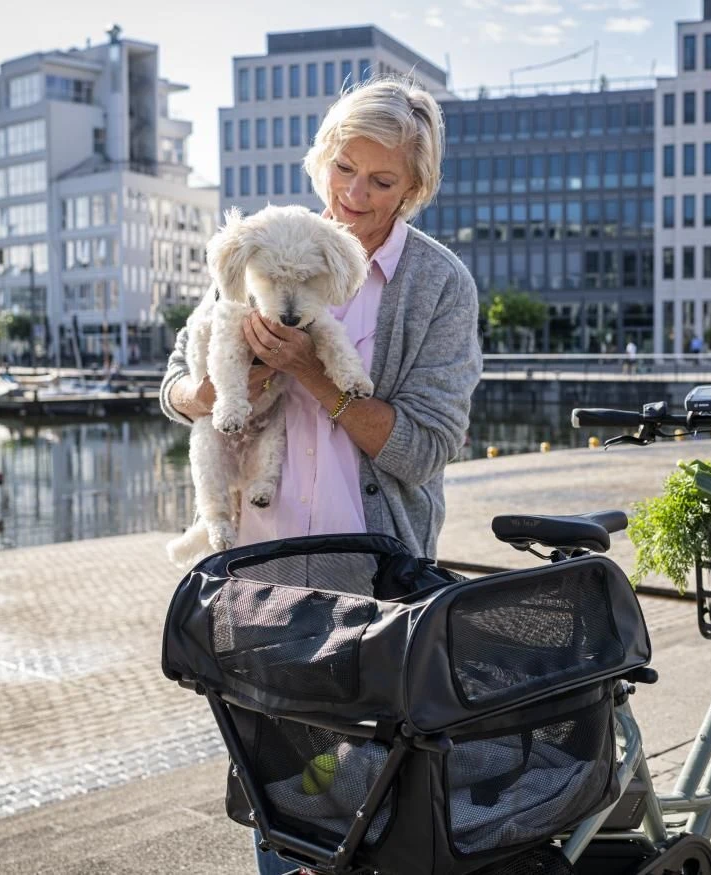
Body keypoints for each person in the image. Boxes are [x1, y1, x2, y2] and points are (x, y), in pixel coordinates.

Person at [159, 77, 482, 875]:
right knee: (275, 791)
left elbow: (424, 448)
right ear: (319, 161)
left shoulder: (438, 284)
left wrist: (311, 372)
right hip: (253, 574)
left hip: (366, 584)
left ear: (414, 187)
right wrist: (216, 391)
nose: (355, 195)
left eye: (381, 180)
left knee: (365, 795)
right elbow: (176, 384)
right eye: (344, 169)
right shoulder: (268, 248)